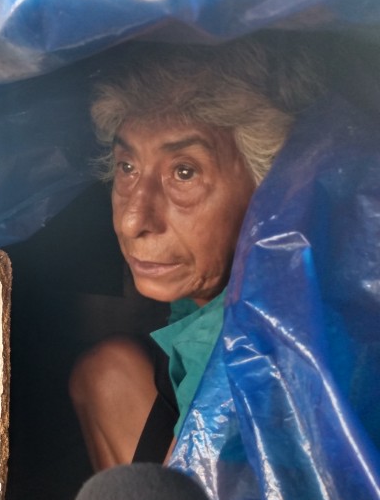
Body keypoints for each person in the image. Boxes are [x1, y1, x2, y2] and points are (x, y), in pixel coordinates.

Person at [69, 37, 324, 470]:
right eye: (127, 168)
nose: (133, 220)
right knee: (103, 373)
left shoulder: (275, 348)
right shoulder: (209, 298)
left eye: (184, 172)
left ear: (270, 188)